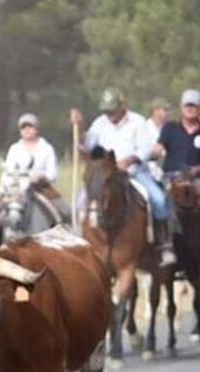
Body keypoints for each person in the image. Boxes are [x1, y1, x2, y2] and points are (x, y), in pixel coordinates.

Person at [73, 87, 175, 265]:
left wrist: (128, 161)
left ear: (122, 106)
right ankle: (78, 243)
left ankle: (163, 244)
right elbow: (88, 146)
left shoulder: (137, 121)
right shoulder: (100, 123)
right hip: (106, 174)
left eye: (112, 110)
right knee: (80, 202)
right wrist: (79, 128)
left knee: (158, 199)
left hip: (134, 172)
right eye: (107, 110)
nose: (110, 114)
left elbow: (145, 148)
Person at [154, 89, 200, 256]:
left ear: (199, 108)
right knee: (159, 204)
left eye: (193, 106)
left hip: (196, 179)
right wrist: (149, 154)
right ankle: (164, 246)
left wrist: (198, 169)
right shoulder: (170, 128)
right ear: (181, 107)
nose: (190, 109)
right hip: (171, 177)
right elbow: (157, 150)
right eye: (187, 105)